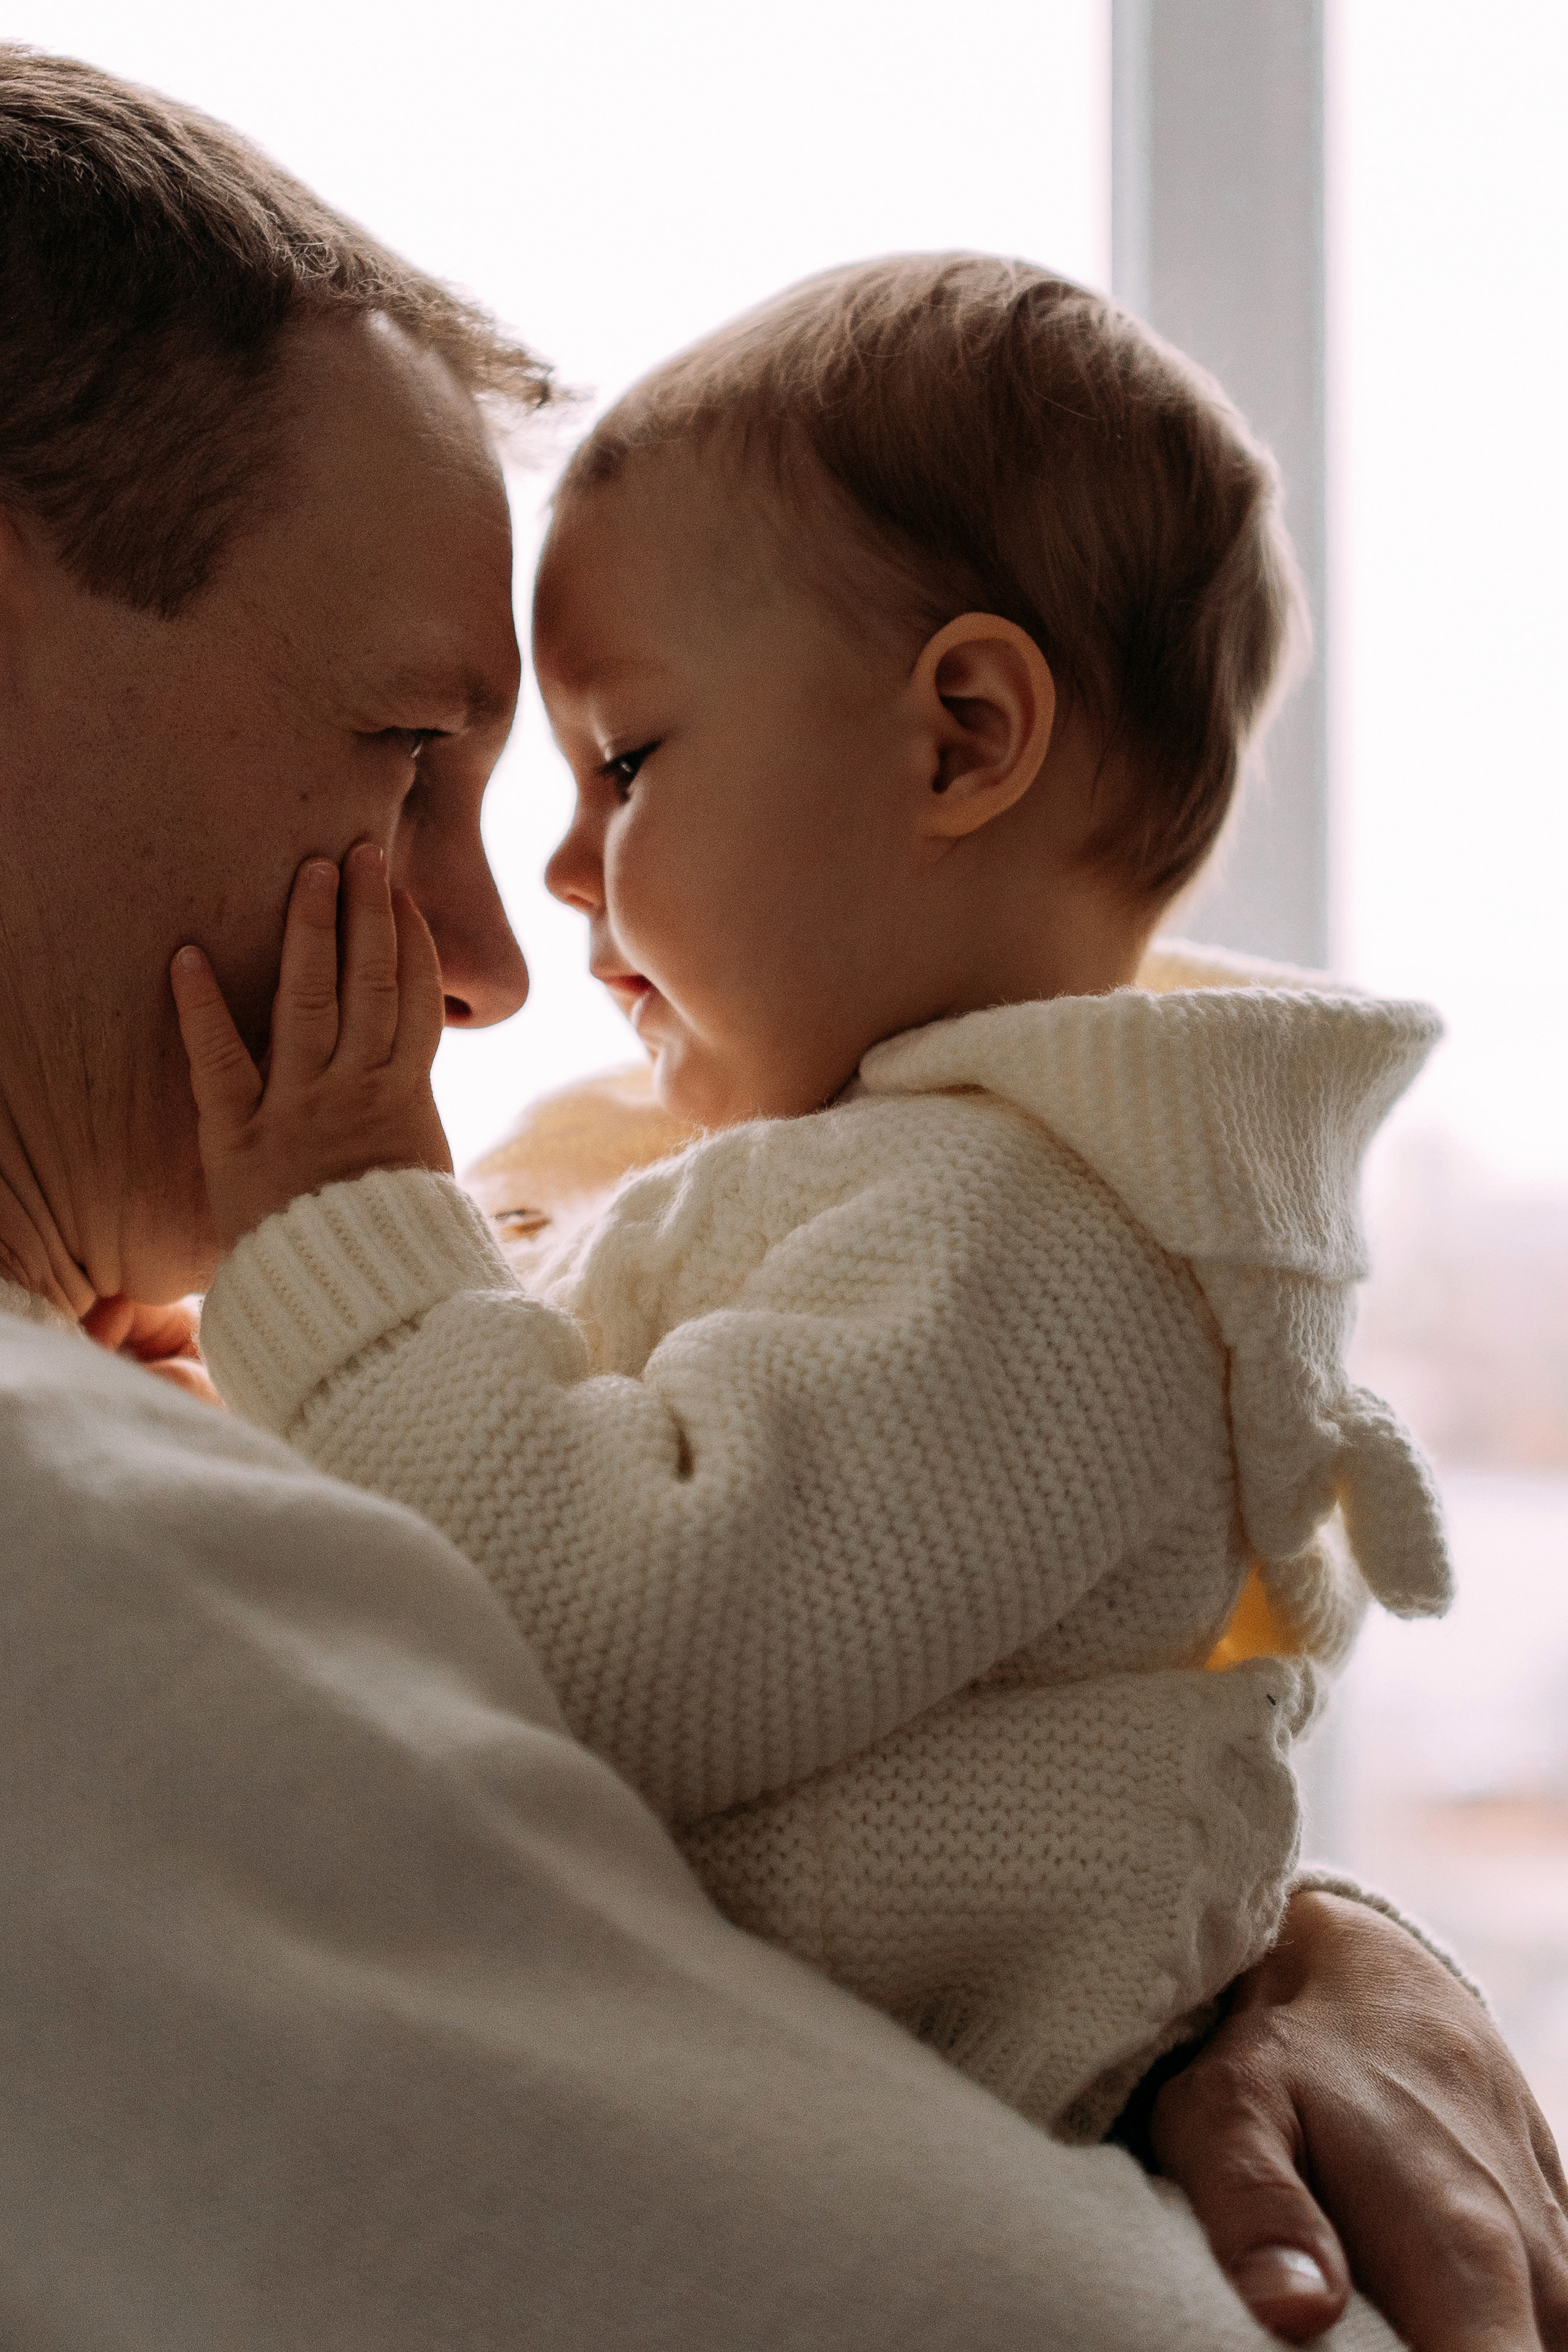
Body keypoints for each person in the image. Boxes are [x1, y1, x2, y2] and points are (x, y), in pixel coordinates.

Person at [2, 45, 1566, 2352]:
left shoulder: (996, 1217)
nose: (495, 956)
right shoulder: (70, 1572)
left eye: (598, 770)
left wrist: (1261, 1940)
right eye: (410, 754)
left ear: (966, 738)